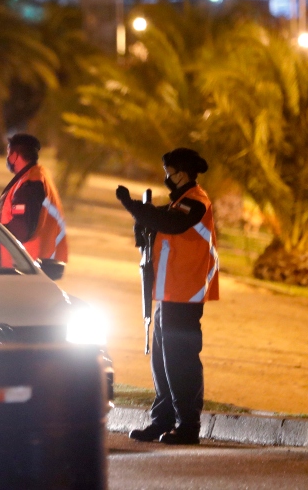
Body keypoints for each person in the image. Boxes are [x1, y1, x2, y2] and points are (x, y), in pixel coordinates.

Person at [115, 148, 219, 445]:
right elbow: (160, 222)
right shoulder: (179, 202)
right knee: (162, 361)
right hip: (169, 292)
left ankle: (188, 425)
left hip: (186, 294)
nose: (166, 178)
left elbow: (172, 224)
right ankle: (161, 421)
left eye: (169, 172)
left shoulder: (196, 202)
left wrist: (132, 205)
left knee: (181, 361)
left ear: (181, 174)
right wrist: (141, 218)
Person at [0, 133, 68, 265]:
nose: (8, 158)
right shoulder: (37, 176)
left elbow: (21, 228)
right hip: (37, 261)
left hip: (26, 263)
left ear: (15, 156)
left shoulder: (30, 183)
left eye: (9, 153)